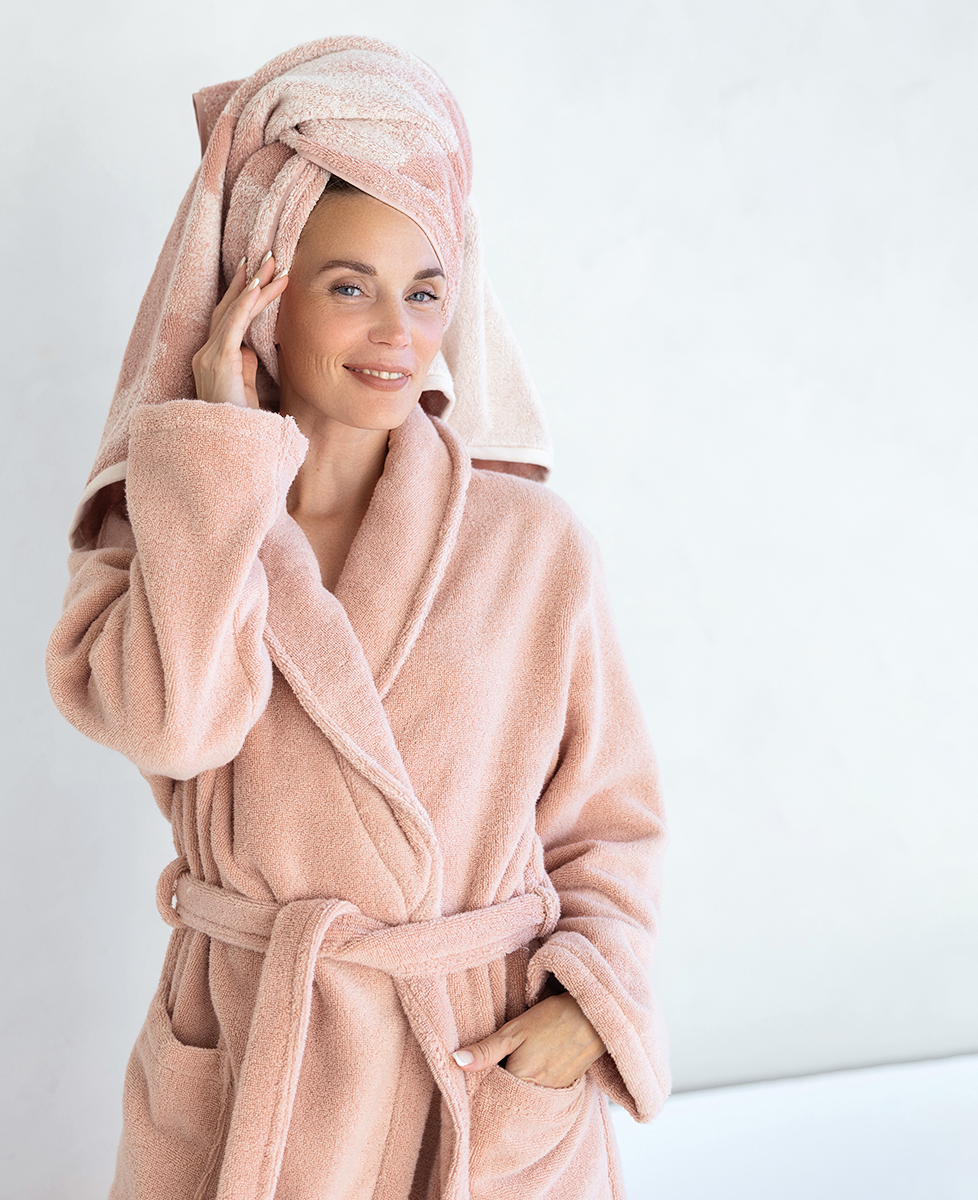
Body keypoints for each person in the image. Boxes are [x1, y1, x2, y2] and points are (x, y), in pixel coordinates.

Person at [47, 35, 668, 1200]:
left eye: (424, 290)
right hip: (254, 1064)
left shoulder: (533, 546)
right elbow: (177, 728)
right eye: (348, 287)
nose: (398, 331)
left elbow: (612, 822)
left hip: (472, 1074)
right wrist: (216, 462)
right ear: (261, 298)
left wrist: (591, 1004)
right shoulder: (169, 531)